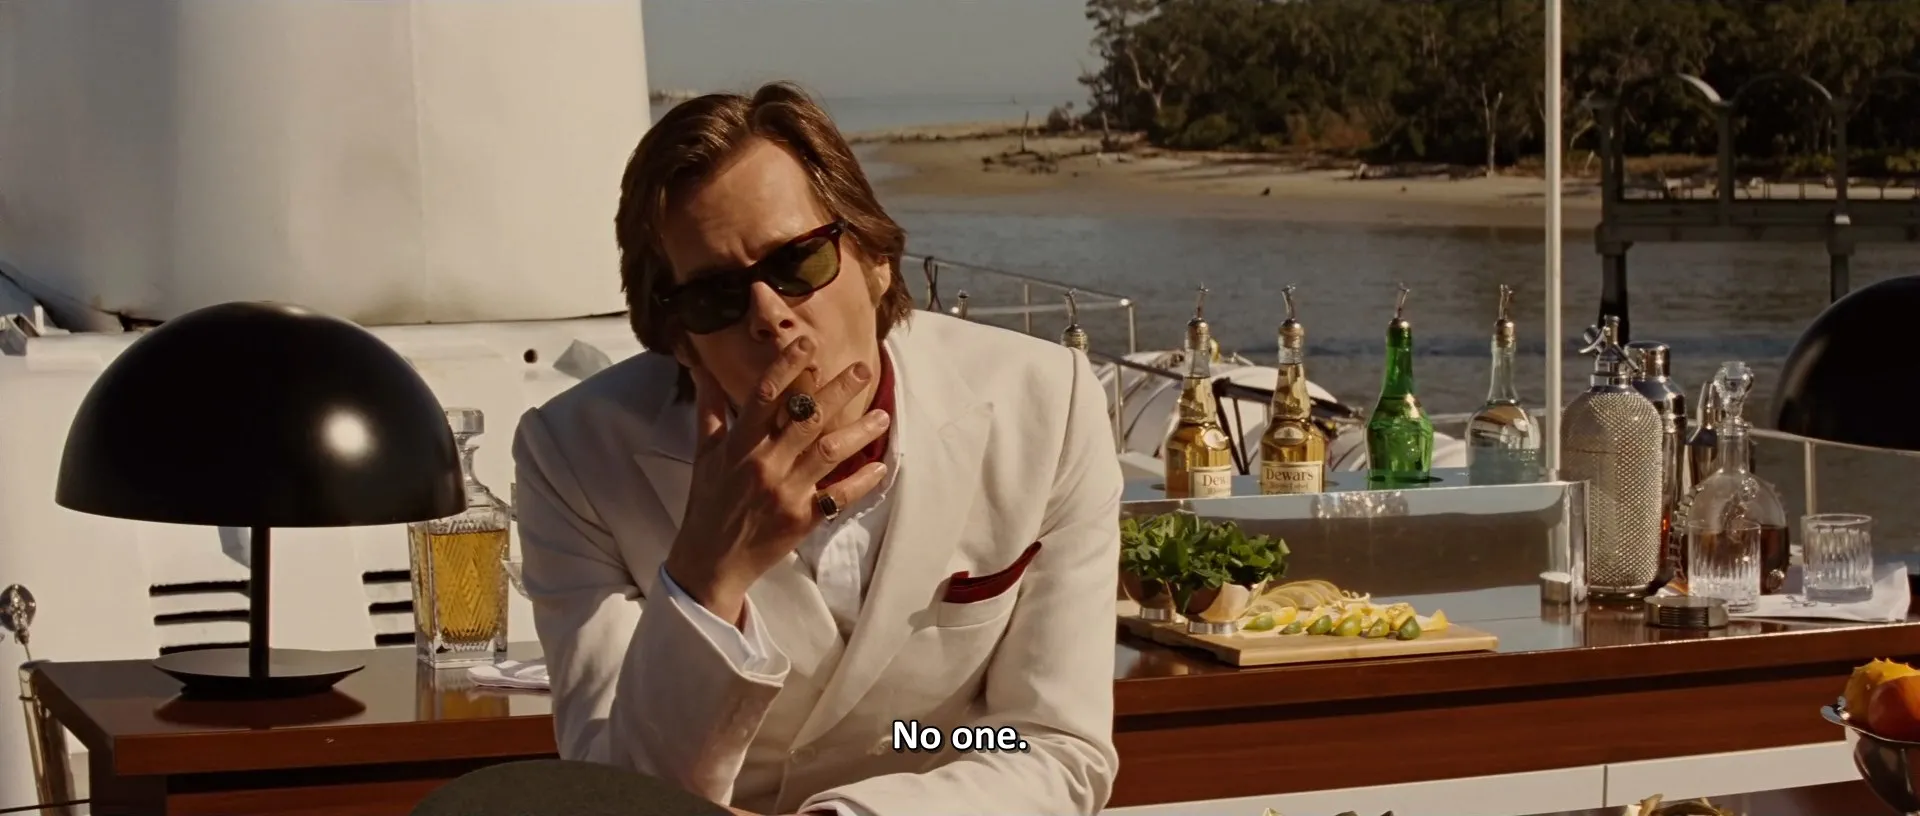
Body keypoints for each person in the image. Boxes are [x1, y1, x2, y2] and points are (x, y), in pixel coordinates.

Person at [511, 82, 1122, 816]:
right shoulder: (575, 457)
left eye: (797, 263)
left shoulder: (1045, 406)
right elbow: (616, 793)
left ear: (874, 258)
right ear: (679, 337)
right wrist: (705, 573)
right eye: (715, 296)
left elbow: (1047, 744)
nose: (769, 316)